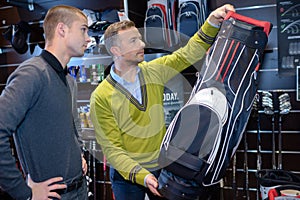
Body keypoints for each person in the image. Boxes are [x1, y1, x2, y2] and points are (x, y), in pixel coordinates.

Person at [90, 4, 235, 200]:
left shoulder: (154, 70)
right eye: (133, 41)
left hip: (160, 166)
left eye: (139, 38)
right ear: (116, 50)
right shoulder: (101, 96)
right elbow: (112, 150)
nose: (142, 44)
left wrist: (211, 23)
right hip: (127, 177)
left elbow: (187, 54)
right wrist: (143, 176)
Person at [0, 5, 90, 200]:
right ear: (62, 30)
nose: (88, 37)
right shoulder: (31, 74)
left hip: (79, 189)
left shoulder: (68, 80)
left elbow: (70, 127)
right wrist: (22, 192)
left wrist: (78, 154)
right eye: (83, 29)